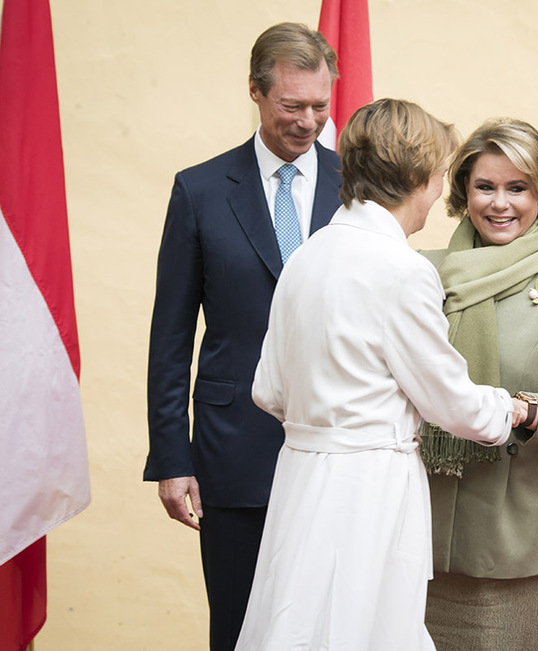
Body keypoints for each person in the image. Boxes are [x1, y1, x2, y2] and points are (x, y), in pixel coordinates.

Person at [233, 98, 526, 651]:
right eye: (440, 175)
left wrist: (324, 424)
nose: (441, 191)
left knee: (298, 623)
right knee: (365, 627)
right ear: (417, 176)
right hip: (369, 485)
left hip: (300, 477)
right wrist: (505, 408)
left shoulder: (307, 255)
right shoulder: (402, 270)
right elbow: (450, 401)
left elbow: (267, 388)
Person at [144, 23, 342, 650]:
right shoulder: (199, 191)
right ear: (255, 93)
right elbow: (171, 336)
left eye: (320, 105)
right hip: (233, 454)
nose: (308, 121)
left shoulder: (359, 188)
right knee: (239, 630)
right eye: (292, 106)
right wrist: (173, 458)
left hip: (339, 448)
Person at [420, 117, 538, 651]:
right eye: (484, 187)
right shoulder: (417, 271)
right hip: (414, 526)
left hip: (515, 537)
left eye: (517, 188)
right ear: (463, 192)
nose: (499, 203)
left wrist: (516, 409)